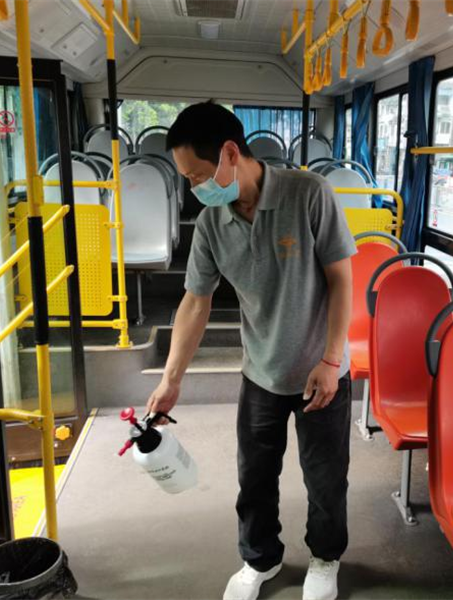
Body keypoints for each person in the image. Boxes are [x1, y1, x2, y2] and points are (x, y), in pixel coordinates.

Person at [146, 102, 356, 600]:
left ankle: (325, 557)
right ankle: (260, 558)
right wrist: (171, 379)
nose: (195, 188)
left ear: (229, 153)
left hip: (321, 370)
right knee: (255, 477)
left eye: (198, 176)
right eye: (188, 180)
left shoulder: (309, 194)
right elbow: (195, 302)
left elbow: (341, 280)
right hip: (261, 371)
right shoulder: (211, 223)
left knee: (325, 478)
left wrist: (331, 359)